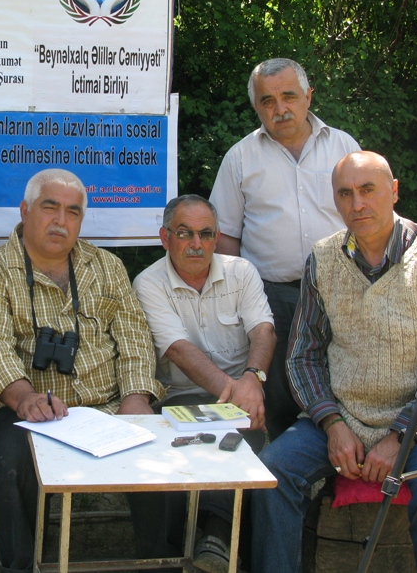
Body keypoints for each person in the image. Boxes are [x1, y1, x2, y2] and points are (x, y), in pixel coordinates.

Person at [249, 151, 417, 573]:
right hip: (343, 414)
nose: (357, 204)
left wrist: (399, 436)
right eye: (345, 194)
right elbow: (303, 355)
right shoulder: (323, 258)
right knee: (270, 476)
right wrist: (332, 423)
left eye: (368, 190)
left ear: (393, 192)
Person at [0, 168, 170, 573]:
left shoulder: (106, 267)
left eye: (73, 212)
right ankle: (22, 564)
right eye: (50, 207)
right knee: (7, 467)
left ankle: (160, 562)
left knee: (162, 458)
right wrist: (24, 397)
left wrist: (135, 398)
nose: (61, 220)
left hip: (109, 406)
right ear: (25, 211)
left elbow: (134, 338)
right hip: (32, 411)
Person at [209, 57, 359, 439]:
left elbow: (364, 219)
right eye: (267, 101)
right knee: (277, 395)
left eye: (288, 96)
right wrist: (239, 298)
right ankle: (278, 475)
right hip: (273, 297)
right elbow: (225, 236)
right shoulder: (240, 157)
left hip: (342, 292)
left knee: (342, 385)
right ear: (256, 106)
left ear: (309, 97)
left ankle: (334, 481)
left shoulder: (343, 147)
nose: (280, 109)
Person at [133, 194, 275, 573]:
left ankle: (215, 543)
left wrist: (253, 377)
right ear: (165, 238)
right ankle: (161, 558)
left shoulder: (241, 271)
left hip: (244, 390)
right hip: (179, 399)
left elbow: (263, 329)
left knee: (241, 440)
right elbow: (179, 350)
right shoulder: (149, 282)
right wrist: (235, 392)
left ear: (217, 238)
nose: (196, 244)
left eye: (205, 234)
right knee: (164, 455)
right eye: (185, 233)